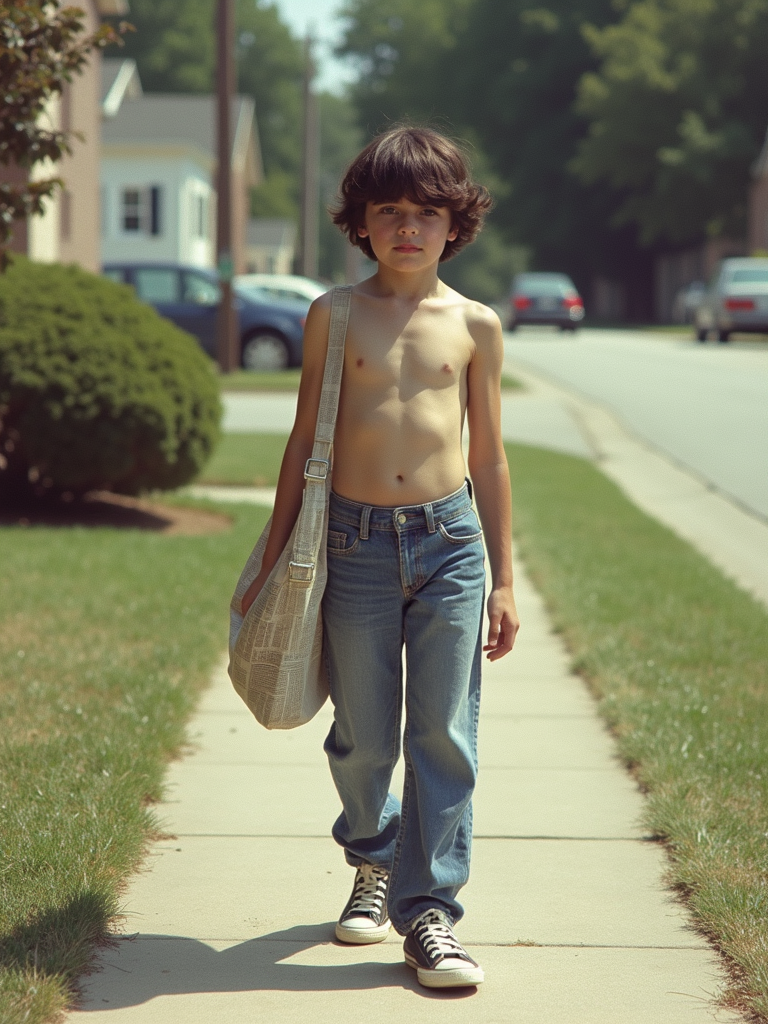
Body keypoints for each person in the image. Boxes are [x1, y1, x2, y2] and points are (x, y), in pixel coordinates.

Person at [240, 125, 519, 989]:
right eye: (389, 211)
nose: (408, 227)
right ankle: (374, 854)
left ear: (455, 223)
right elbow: (300, 440)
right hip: (353, 545)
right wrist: (275, 551)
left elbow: (489, 458)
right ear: (361, 222)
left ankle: (429, 912)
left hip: (449, 546)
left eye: (426, 212)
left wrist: (504, 577)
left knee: (445, 734)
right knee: (363, 741)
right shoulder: (333, 313)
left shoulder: (474, 324)